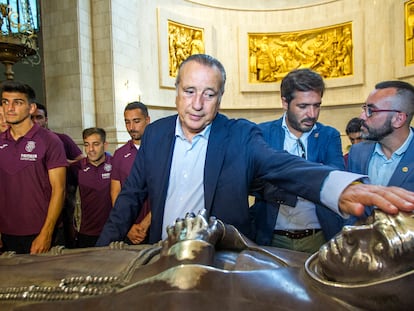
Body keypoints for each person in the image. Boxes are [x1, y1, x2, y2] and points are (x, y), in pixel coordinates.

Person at [96, 54, 414, 247]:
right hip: (160, 257)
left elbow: (283, 166)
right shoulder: (155, 134)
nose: (196, 104)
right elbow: (130, 196)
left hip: (220, 267)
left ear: (220, 99)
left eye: (208, 94)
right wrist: (102, 251)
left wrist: (337, 186)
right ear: (176, 92)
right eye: (189, 91)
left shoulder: (240, 135)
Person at [0, 209, 413, 310]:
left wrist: (193, 244)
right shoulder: (318, 272)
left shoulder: (311, 303)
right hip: (138, 260)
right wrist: (230, 236)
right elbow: (260, 259)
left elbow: (184, 298)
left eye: (377, 247)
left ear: (395, 284)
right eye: (369, 226)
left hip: (122, 289)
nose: (351, 233)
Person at [251, 68, 345, 253]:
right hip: (270, 237)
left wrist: (280, 180)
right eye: (303, 106)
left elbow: (334, 181)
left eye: (317, 105)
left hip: (319, 238)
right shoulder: (262, 133)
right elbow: (253, 182)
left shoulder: (329, 135)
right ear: (285, 102)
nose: (312, 114)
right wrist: (314, 176)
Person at [0, 81, 67, 254]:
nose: (10, 108)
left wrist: (46, 233)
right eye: (5, 102)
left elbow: (59, 190)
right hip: (7, 234)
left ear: (31, 108)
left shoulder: (50, 141)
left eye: (18, 102)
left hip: (41, 232)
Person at [32, 102, 84, 248]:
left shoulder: (60, 139)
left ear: (46, 119)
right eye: (33, 118)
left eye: (39, 117)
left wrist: (62, 163)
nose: (36, 121)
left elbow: (82, 161)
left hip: (65, 197)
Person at [348, 81, 414, 195]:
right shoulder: (356, 152)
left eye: (371, 111)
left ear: (398, 119)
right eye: (364, 108)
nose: (362, 116)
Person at [111, 101, 151, 244]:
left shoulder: (162, 150)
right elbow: (116, 193)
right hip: (129, 230)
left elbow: (168, 192)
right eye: (127, 122)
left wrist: (146, 224)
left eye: (136, 121)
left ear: (147, 120)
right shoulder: (119, 154)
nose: (131, 127)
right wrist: (126, 226)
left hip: (157, 226)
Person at [70, 127, 113, 248]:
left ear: (105, 145)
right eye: (87, 145)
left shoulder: (115, 164)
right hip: (86, 233)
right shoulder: (76, 168)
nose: (91, 149)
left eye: (96, 144)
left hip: (112, 231)